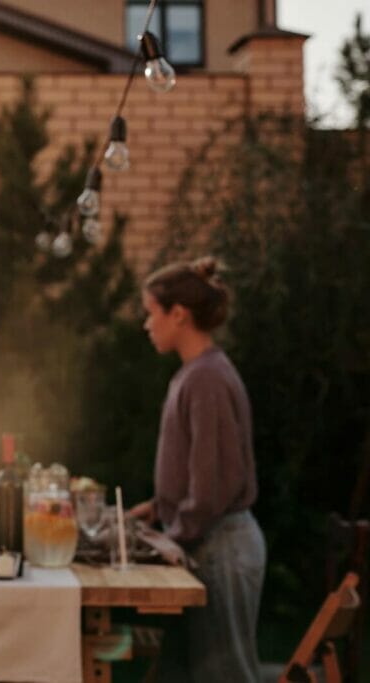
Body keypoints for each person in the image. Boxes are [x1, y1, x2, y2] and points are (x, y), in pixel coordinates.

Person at [129, 256, 266, 682]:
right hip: (209, 541)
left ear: (179, 315)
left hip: (220, 547)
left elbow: (210, 489)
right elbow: (202, 469)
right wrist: (158, 506)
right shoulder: (196, 374)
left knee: (223, 675)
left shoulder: (206, 380)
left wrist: (170, 540)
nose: (146, 325)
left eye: (152, 313)